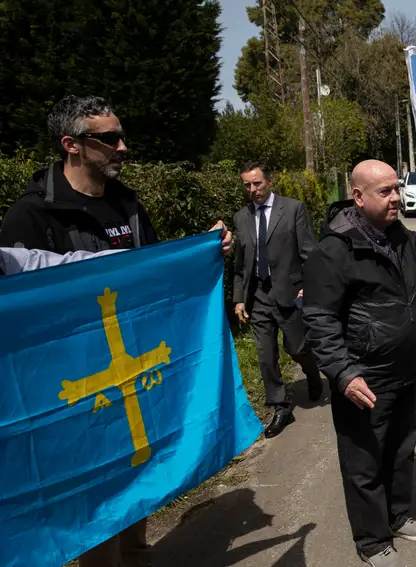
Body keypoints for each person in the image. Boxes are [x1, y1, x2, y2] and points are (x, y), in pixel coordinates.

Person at [0, 94, 233, 567]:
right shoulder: (31, 217)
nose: (123, 147)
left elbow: (152, 276)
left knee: (137, 494)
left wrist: (201, 252)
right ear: (71, 145)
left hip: (134, 378)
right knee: (97, 515)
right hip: (77, 396)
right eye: (109, 139)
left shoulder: (127, 204)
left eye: (121, 136)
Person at [302, 159, 416, 567]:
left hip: (403, 370)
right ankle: (373, 541)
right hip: (363, 378)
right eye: (385, 191)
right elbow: (319, 319)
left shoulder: (397, 235)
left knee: (401, 450)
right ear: (358, 197)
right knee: (364, 463)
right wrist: (343, 373)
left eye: (397, 188)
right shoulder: (333, 251)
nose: (396, 197)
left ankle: (397, 516)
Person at [232, 161, 323, 438]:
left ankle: (312, 372)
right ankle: (280, 407)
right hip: (258, 296)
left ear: (269, 182)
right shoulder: (241, 217)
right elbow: (240, 265)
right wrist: (239, 299)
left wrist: (308, 286)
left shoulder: (293, 209)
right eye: (247, 185)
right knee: (265, 354)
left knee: (297, 347)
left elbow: (309, 252)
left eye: (257, 183)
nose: (252, 189)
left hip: (289, 292)